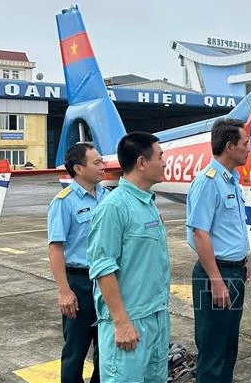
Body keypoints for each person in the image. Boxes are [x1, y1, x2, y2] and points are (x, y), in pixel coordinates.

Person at [86, 132, 170, 382]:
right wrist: (121, 322)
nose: (165, 162)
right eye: (161, 156)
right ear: (142, 163)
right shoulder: (114, 207)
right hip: (129, 322)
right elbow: (102, 268)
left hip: (156, 318)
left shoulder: (148, 204)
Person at [186, 118, 251, 383]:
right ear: (229, 146)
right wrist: (216, 279)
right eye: (245, 143)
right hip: (217, 275)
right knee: (212, 350)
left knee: (228, 347)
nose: (249, 148)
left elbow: (227, 229)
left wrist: (242, 260)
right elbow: (199, 232)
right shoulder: (208, 181)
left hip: (233, 273)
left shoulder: (231, 180)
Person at [47, 141, 107, 383]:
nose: (104, 166)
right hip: (80, 283)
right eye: (97, 162)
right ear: (78, 169)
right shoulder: (64, 202)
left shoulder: (109, 196)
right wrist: (64, 291)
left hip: (107, 281)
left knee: (107, 349)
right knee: (75, 350)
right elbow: (55, 248)